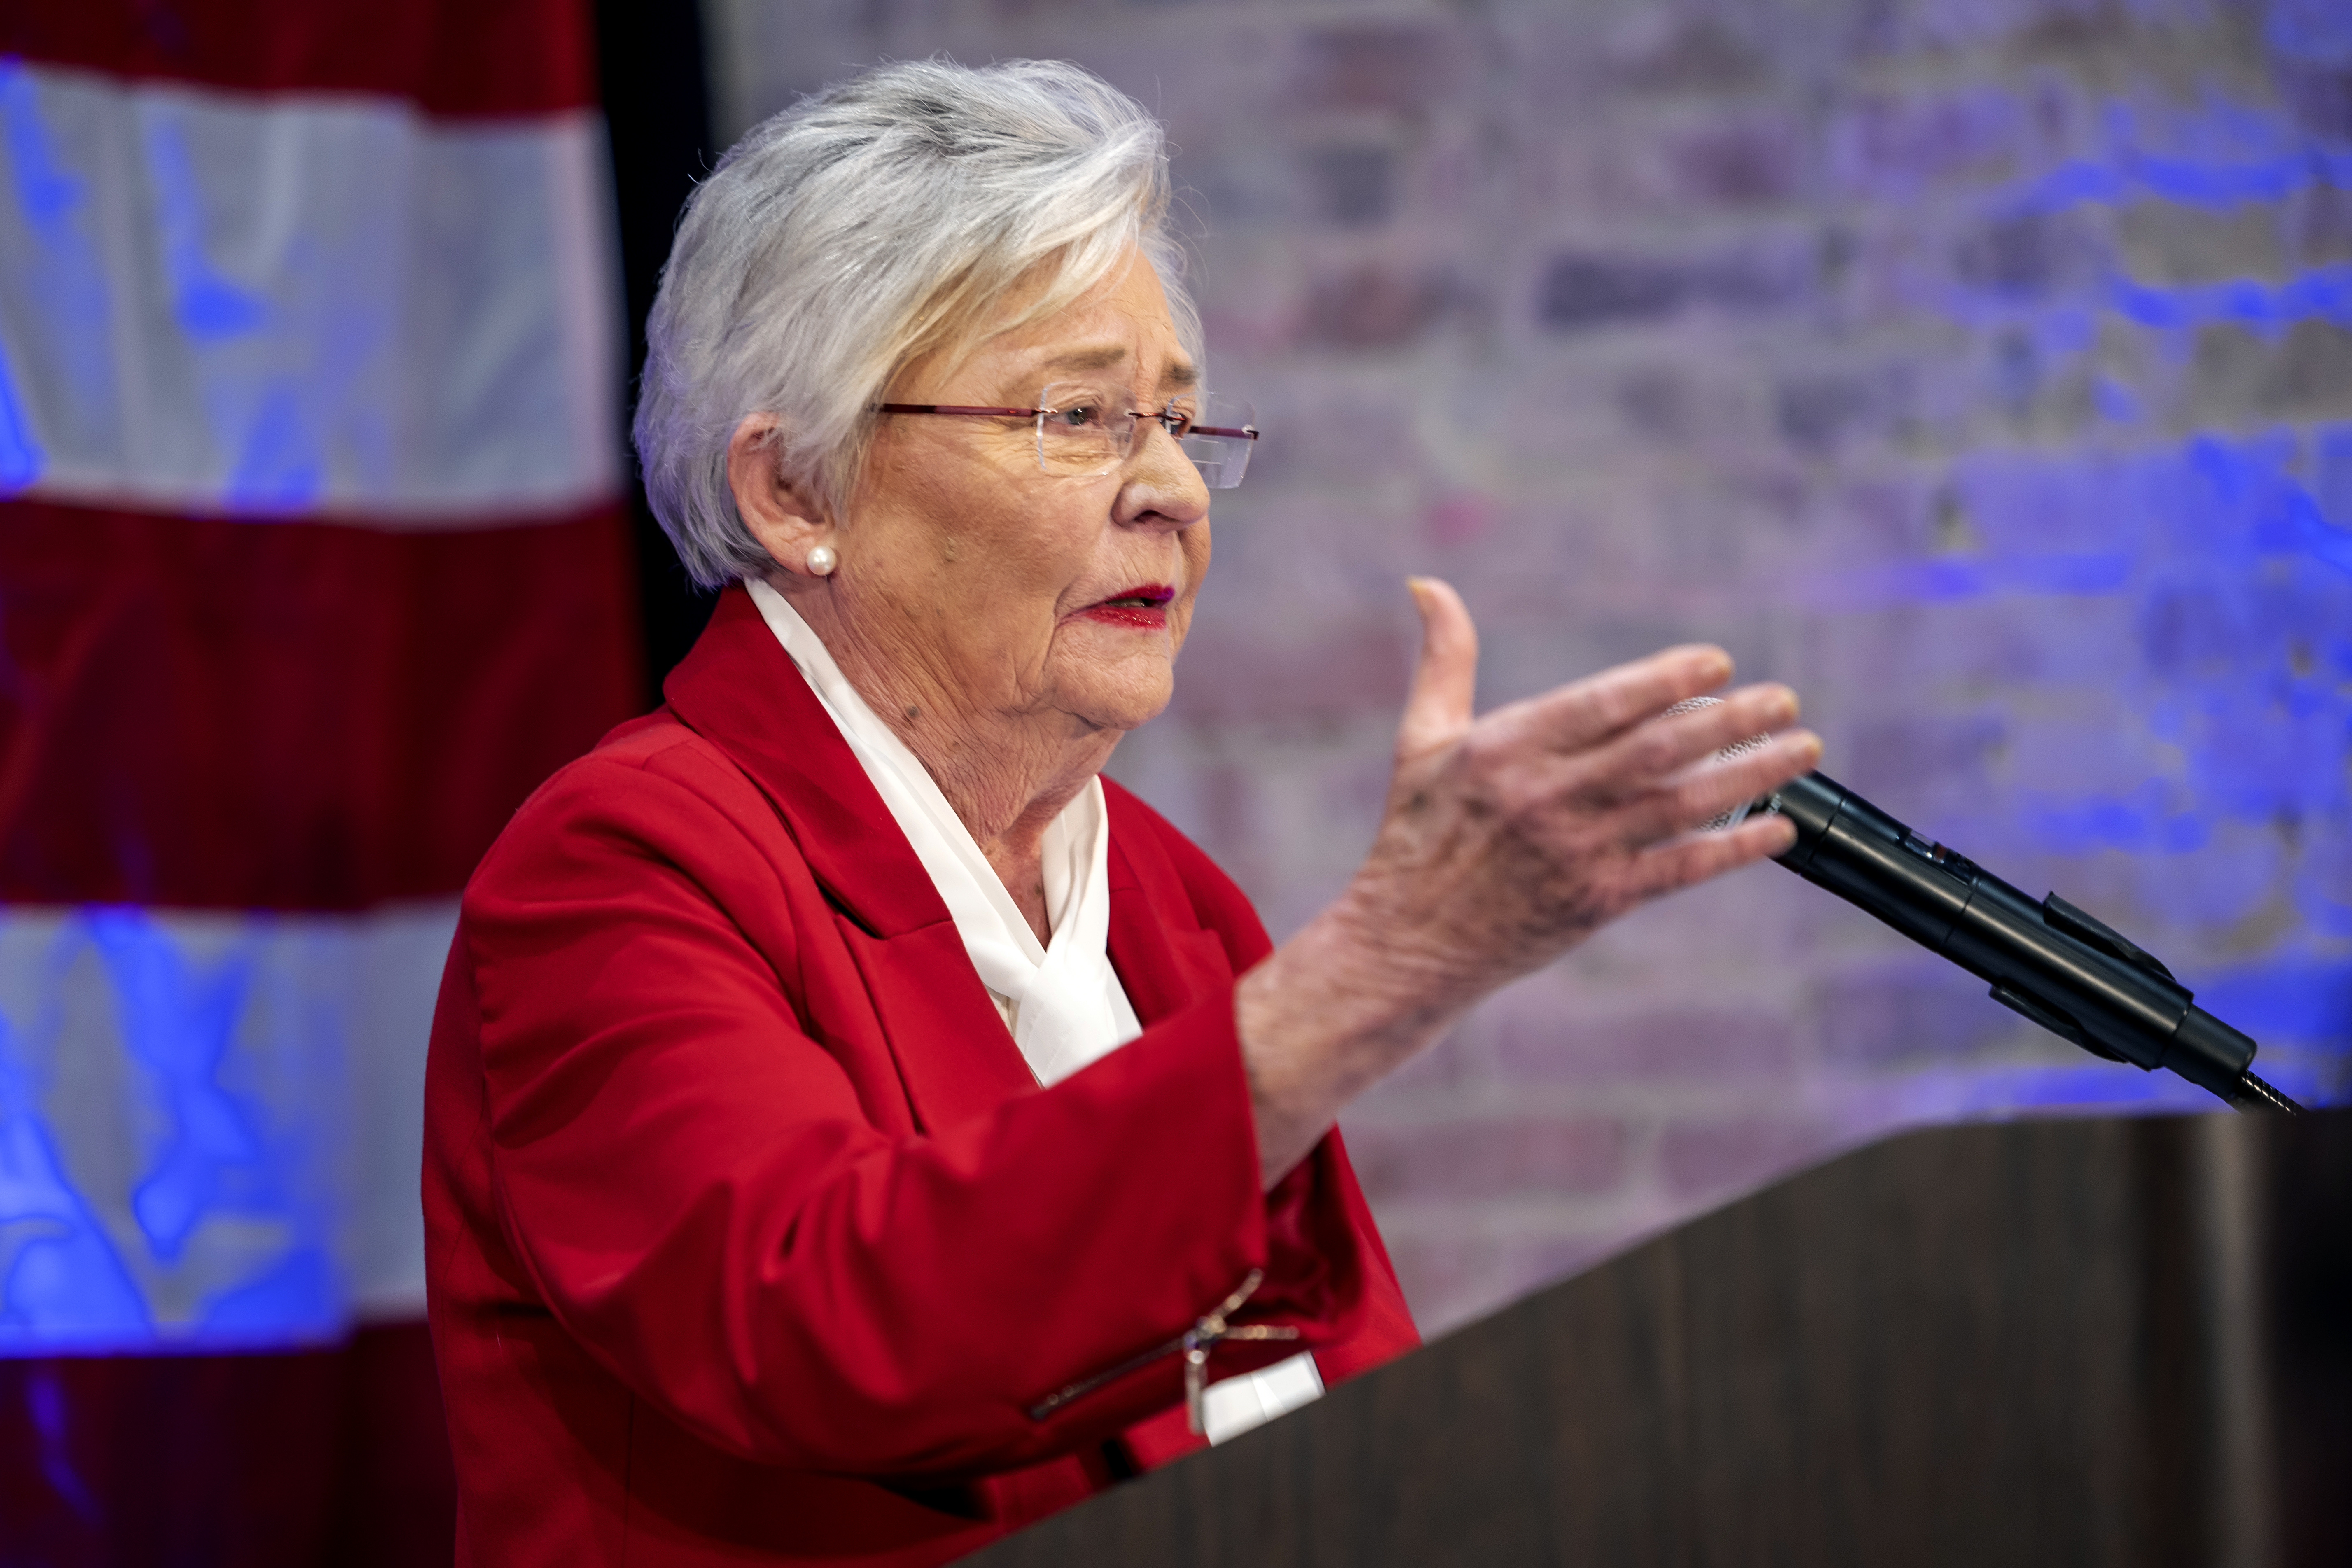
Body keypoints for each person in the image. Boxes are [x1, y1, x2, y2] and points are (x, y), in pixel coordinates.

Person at [421, 57, 1818, 1568]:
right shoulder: (620, 869)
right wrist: (1379, 970)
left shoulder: (1168, 897)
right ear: (794, 492)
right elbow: (823, 1322)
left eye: (1177, 422)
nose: (1174, 493)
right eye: (1077, 417)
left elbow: (1322, 1391)